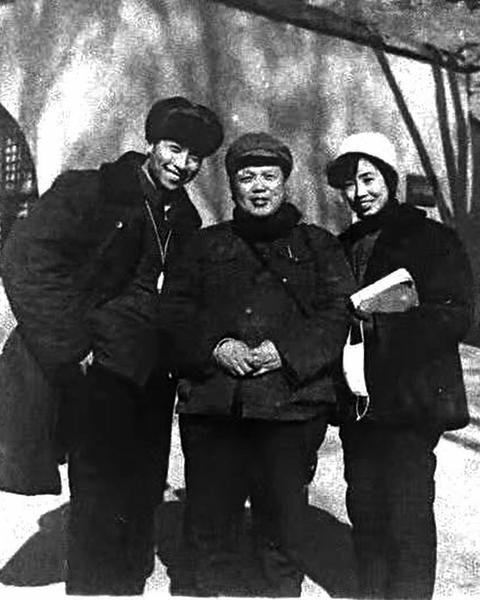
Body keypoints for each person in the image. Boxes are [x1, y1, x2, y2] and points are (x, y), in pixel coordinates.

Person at [0, 96, 223, 595]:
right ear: (152, 142)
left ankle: (129, 584)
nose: (182, 164)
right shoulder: (93, 191)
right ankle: (95, 587)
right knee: (99, 494)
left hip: (154, 376)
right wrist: (72, 346)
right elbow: (24, 259)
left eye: (194, 157)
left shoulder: (184, 219)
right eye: (174, 148)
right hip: (99, 370)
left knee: (143, 488)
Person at [160, 132, 354, 596]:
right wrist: (214, 346)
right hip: (215, 406)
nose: (259, 187)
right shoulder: (204, 245)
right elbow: (174, 310)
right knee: (208, 522)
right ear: (232, 186)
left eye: (270, 176)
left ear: (286, 183)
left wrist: (285, 352)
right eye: (247, 178)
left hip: (291, 408)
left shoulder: (318, 246)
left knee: (283, 526)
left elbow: (338, 312)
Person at [326, 132, 474, 599]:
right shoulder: (341, 245)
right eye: (349, 184)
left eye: (369, 179)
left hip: (411, 401)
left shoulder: (431, 239)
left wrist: (381, 326)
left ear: (390, 180)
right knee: (366, 511)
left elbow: (456, 314)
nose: (359, 192)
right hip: (360, 402)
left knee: (406, 515)